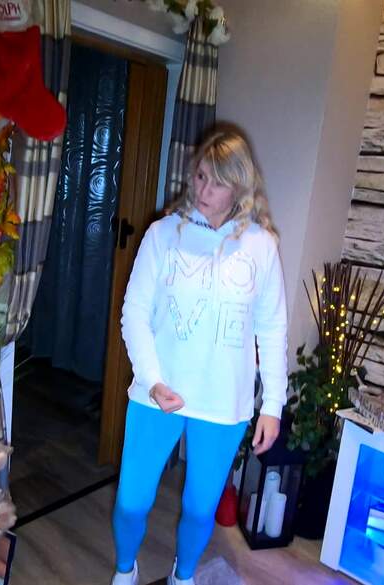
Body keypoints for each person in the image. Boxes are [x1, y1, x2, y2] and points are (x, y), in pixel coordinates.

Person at [111, 128, 289, 585]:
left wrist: (272, 405)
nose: (204, 190)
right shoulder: (163, 235)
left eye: (218, 182)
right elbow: (134, 312)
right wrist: (152, 379)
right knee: (131, 501)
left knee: (198, 507)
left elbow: (272, 329)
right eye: (201, 176)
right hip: (157, 393)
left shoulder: (261, 247)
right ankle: (126, 570)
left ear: (240, 188)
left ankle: (183, 575)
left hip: (222, 401)